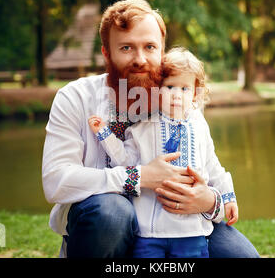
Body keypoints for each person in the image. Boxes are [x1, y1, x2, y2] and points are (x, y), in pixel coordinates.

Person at [42, 0, 260, 258]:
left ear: (162, 51)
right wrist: (141, 176)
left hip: (178, 226)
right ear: (106, 53)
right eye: (126, 47)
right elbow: (56, 181)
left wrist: (210, 201)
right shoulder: (75, 98)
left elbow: (209, 167)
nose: (140, 59)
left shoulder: (179, 103)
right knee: (113, 213)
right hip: (109, 227)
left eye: (150, 47)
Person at [88, 47, 238, 258]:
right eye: (169, 86)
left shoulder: (199, 125)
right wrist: (105, 135)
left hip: (192, 231)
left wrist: (228, 197)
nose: (176, 95)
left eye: (185, 89)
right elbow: (126, 161)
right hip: (150, 232)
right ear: (156, 88)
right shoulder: (143, 126)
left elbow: (212, 165)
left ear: (195, 92)